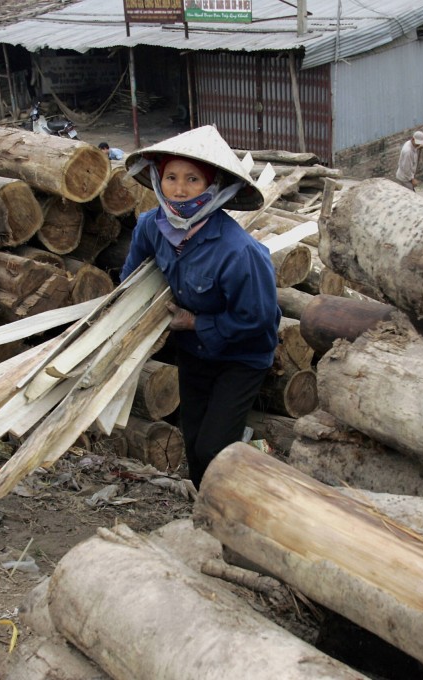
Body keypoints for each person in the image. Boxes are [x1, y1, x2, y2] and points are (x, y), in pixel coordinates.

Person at [120, 126, 281, 491]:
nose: (179, 189)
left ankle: (237, 507)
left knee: (213, 447)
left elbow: (257, 321)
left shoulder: (239, 252)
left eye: (193, 179)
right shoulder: (151, 226)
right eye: (171, 177)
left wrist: (194, 321)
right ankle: (206, 509)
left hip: (241, 357)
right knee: (193, 444)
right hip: (193, 353)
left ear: (212, 187)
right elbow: (130, 278)